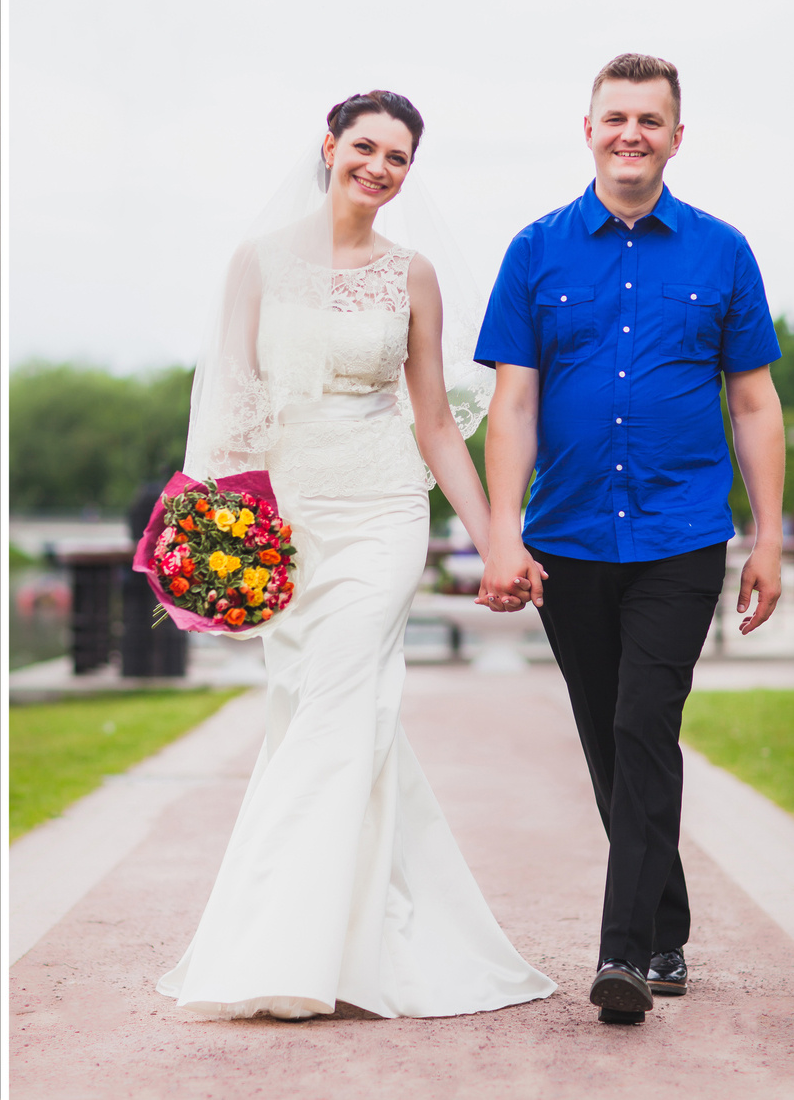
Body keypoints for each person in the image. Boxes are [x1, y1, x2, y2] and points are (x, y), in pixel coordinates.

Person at [154, 91, 557, 1020]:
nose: (379, 167)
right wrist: (218, 545)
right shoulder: (254, 264)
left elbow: (435, 425)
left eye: (399, 157)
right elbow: (229, 414)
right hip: (284, 525)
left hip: (381, 513)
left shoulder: (411, 275)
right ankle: (356, 934)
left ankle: (281, 951)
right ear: (329, 147)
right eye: (366, 147)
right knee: (314, 713)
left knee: (337, 703)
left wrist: (501, 530)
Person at [475, 54, 785, 1025]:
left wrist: (769, 537)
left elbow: (753, 401)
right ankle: (666, 925)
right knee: (611, 745)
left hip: (680, 536)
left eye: (650, 120)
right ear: (588, 128)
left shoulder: (723, 253)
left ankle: (622, 958)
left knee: (642, 726)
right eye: (616, 117)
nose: (631, 135)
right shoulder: (534, 251)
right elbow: (513, 403)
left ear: (676, 137)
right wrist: (500, 535)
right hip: (567, 541)